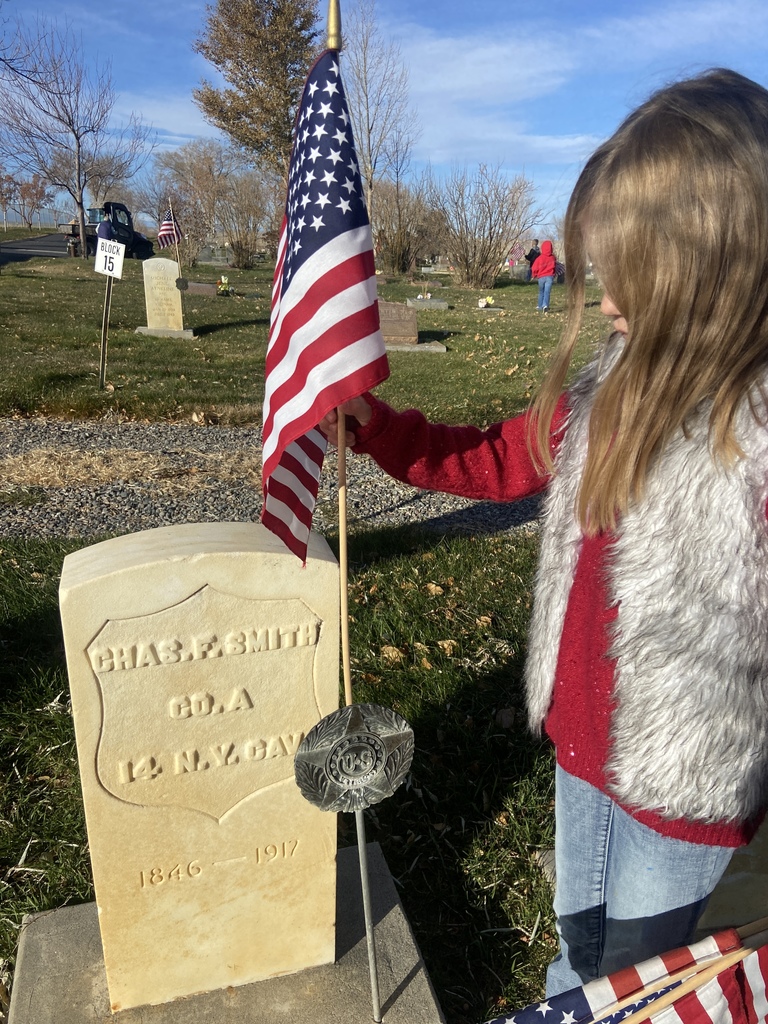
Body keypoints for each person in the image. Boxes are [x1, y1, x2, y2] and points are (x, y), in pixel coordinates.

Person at [320, 68, 768, 997]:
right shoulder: (607, 390)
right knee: (579, 953)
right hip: (580, 740)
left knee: (639, 982)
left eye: (629, 279)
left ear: (718, 269)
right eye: (601, 273)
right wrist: (387, 430)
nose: (603, 302)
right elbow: (501, 461)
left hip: (685, 787)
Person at [530, 240, 557, 311]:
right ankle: (545, 305)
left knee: (541, 292)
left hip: (541, 277)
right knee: (547, 292)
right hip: (550, 277)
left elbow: (534, 268)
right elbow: (555, 267)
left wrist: (534, 275)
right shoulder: (553, 258)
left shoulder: (539, 258)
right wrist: (554, 274)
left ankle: (539, 306)